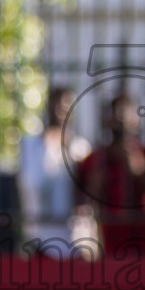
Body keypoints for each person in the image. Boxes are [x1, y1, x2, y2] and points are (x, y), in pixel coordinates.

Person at [76, 93, 145, 258]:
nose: (121, 119)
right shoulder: (97, 159)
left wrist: (140, 174)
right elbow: (82, 199)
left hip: (144, 243)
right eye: (116, 114)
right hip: (108, 243)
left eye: (126, 113)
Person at [17, 85, 92, 251]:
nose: (60, 113)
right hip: (39, 238)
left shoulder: (80, 149)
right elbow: (30, 185)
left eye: (66, 108)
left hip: (75, 241)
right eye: (56, 107)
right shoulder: (31, 146)